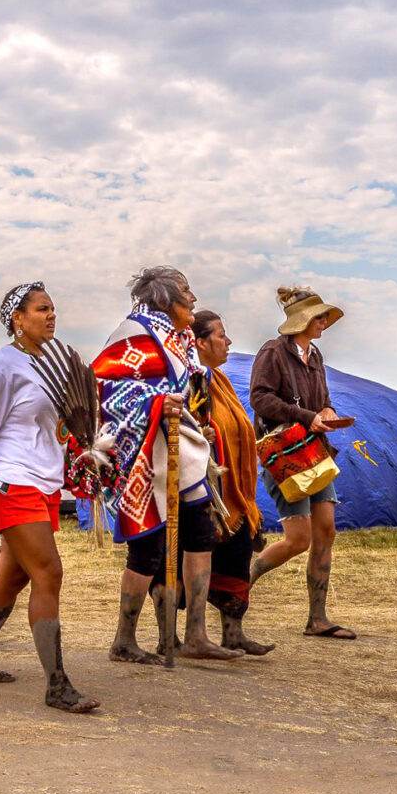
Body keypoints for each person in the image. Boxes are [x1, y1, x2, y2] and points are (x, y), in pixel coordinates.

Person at [0, 284, 99, 713]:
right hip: (11, 482)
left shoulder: (46, 365)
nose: (51, 316)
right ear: (18, 318)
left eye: (53, 309)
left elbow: (53, 430)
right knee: (49, 572)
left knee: (13, 579)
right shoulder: (1, 367)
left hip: (45, 484)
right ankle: (57, 685)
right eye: (42, 309)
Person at [94, 267, 242, 665]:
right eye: (185, 291)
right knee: (148, 548)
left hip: (183, 446)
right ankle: (124, 639)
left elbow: (190, 392)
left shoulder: (181, 340)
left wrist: (198, 423)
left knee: (200, 533)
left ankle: (195, 634)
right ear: (165, 299)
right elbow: (109, 387)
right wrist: (155, 405)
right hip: (143, 452)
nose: (193, 298)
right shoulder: (136, 333)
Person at [249, 286, 355, 640]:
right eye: (320, 317)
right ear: (305, 320)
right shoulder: (272, 352)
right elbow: (260, 399)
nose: (325, 322)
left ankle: (317, 619)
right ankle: (238, 584)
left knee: (326, 531)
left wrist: (327, 411)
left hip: (315, 452)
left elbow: (322, 398)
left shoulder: (316, 355)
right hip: (285, 454)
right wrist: (305, 416)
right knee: (298, 540)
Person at [191, 310, 273, 655]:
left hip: (236, 495)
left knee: (237, 553)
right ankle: (184, 637)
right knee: (195, 556)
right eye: (221, 335)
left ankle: (233, 633)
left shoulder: (219, 380)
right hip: (207, 490)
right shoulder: (193, 379)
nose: (228, 342)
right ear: (200, 342)